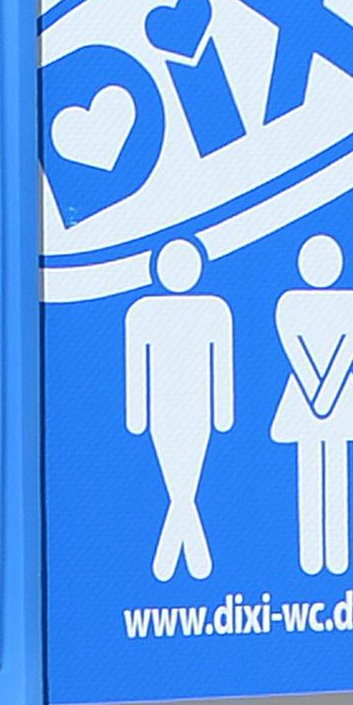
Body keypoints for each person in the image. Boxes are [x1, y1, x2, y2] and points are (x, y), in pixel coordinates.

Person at [125, 239, 234, 582]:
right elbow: (136, 368)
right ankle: (194, 559)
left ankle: (173, 561)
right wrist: (137, 416)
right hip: (163, 410)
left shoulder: (215, 309)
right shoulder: (141, 311)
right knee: (181, 484)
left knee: (184, 484)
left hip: (197, 407)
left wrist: (223, 413)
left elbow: (222, 365)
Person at [272, 234, 353, 577]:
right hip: (312, 398)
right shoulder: (288, 303)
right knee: (309, 470)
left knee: (335, 470)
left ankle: (337, 556)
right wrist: (320, 396)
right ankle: (312, 559)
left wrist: (322, 396)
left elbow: (347, 351)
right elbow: (294, 350)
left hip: (330, 397)